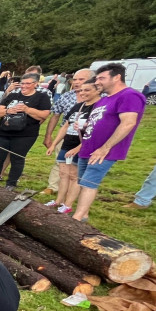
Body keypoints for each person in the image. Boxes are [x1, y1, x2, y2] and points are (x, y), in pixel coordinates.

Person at [63, 64, 146, 222]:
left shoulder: (129, 95)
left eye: (102, 78)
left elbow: (128, 123)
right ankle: (84, 214)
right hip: (88, 148)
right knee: (83, 181)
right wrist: (85, 126)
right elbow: (101, 120)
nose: (98, 82)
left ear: (116, 77)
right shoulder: (104, 100)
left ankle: (77, 218)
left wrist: (105, 148)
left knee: (89, 183)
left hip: (104, 151)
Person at [44, 79, 99, 214]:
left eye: (87, 90)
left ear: (97, 90)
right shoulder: (79, 106)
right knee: (63, 174)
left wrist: (78, 148)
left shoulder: (97, 108)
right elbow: (66, 126)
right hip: (67, 143)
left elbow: (96, 133)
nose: (83, 93)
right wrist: (54, 143)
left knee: (74, 176)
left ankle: (68, 205)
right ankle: (58, 201)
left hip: (81, 146)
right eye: (81, 90)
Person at [0, 73, 51, 189]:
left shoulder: (41, 97)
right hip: (3, 132)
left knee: (17, 158)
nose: (24, 86)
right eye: (22, 83)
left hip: (25, 135)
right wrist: (8, 111)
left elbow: (44, 115)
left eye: (28, 83)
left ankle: (11, 183)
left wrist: (27, 109)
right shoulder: (13, 96)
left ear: (35, 84)